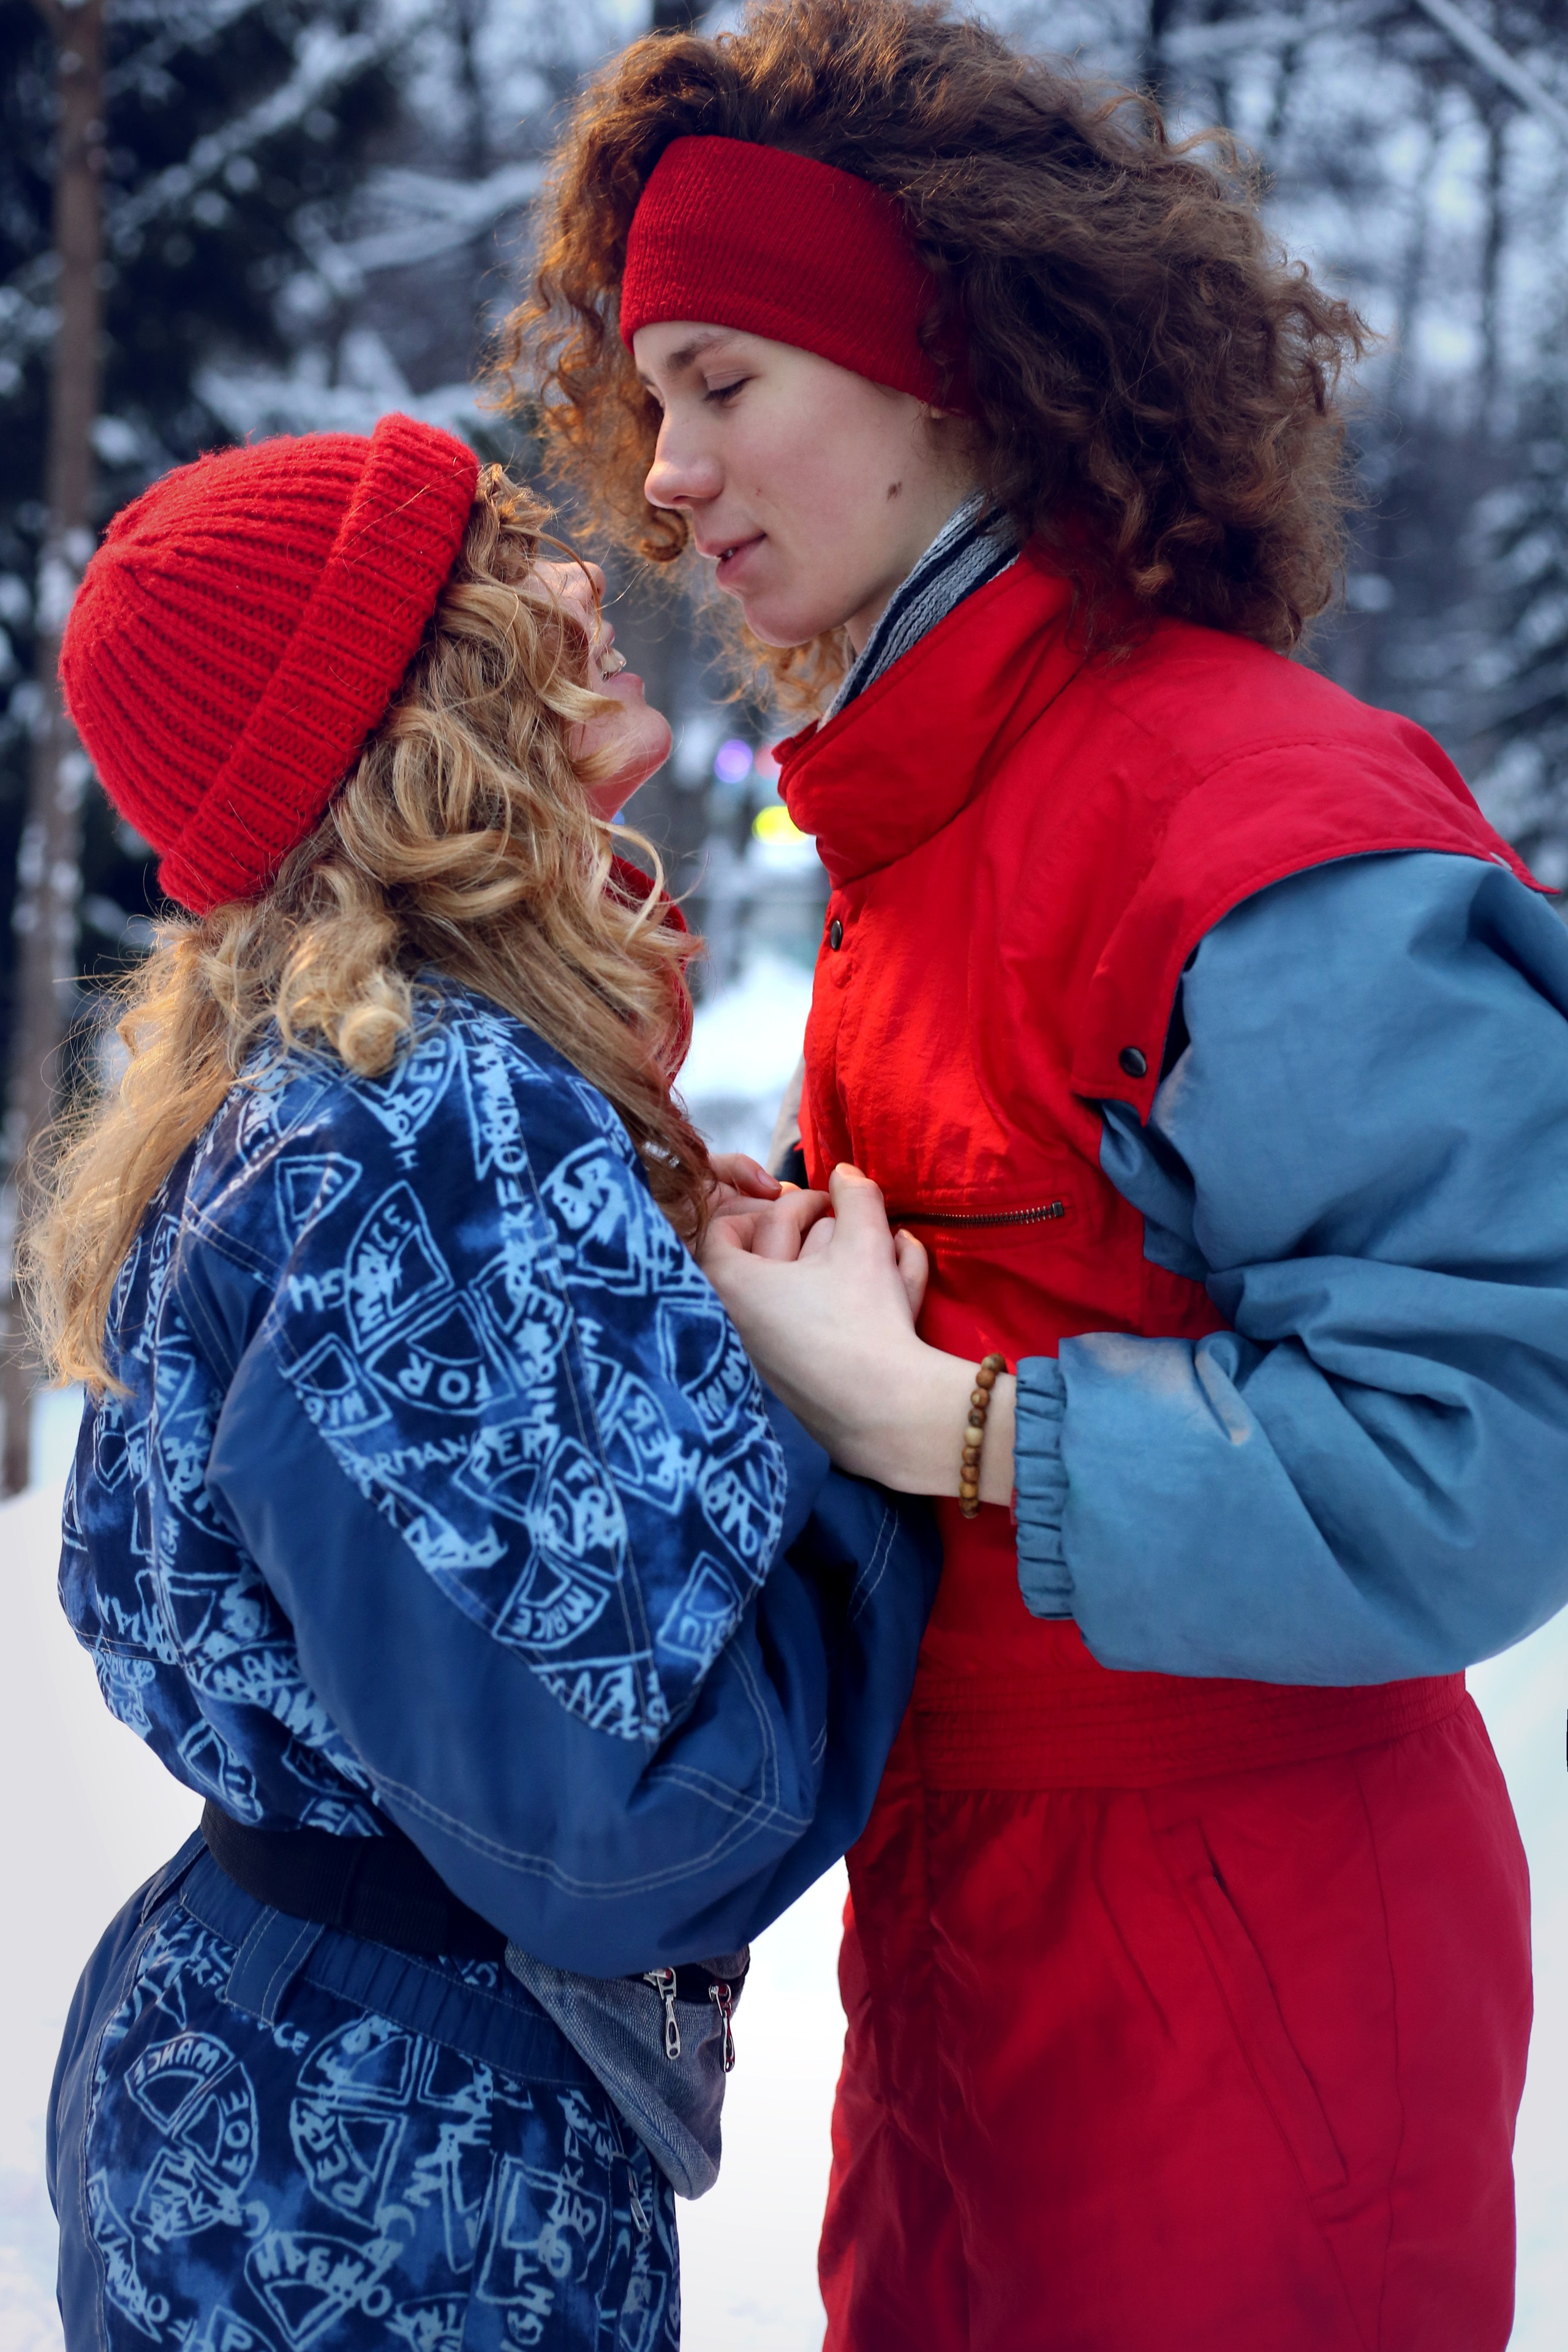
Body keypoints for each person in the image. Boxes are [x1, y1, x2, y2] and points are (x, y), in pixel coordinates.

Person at [509, 2, 1568, 2344]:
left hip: (1248, 1963)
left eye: (718, 379)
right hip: (973, 1942)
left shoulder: (1252, 823)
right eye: (645, 399)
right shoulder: (926, 820)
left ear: (948, 373)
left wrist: (943, 1423)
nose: (662, 476)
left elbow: (1489, 1445)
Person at [26, 414, 940, 2352]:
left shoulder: (323, 1075)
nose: (586, 574)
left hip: (283, 2085)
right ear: (406, 695)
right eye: (503, 556)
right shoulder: (437, 1120)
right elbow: (644, 1829)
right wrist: (868, 1438)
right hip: (391, 2176)